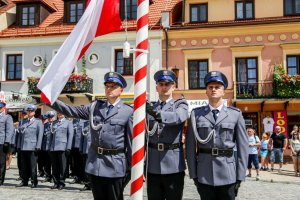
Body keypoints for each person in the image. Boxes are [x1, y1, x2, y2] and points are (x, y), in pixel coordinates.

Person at [49, 72, 133, 200]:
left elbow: (131, 142)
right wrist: (50, 99)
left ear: (121, 89)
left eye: (113, 86)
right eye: (107, 86)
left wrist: (131, 168)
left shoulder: (128, 111)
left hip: (115, 165)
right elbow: (72, 111)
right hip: (96, 164)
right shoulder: (95, 107)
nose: (109, 89)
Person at [186, 71, 248, 200]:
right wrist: (193, 174)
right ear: (206, 91)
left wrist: (240, 175)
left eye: (217, 87)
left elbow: (243, 148)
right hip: (204, 172)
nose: (213, 89)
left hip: (228, 173)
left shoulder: (235, 114)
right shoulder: (195, 114)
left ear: (223, 91)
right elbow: (190, 146)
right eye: (210, 87)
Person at [145, 70, 188, 200]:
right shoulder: (150, 106)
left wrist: (156, 114)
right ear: (157, 87)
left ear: (173, 86)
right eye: (161, 84)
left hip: (173, 165)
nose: (164, 87)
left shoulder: (180, 104)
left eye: (168, 84)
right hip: (152, 165)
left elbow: (178, 117)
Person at [16, 104, 43, 188]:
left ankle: (34, 181)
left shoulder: (38, 122)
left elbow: (40, 135)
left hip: (33, 147)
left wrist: (38, 146)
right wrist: (19, 146)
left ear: (34, 112)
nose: (29, 112)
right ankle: (24, 181)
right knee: (24, 166)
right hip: (23, 147)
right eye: (28, 111)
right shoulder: (22, 122)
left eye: (31, 111)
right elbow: (20, 135)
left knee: (33, 166)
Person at [49, 112, 74, 190]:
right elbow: (51, 136)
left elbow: (70, 135)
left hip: (63, 147)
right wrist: (50, 147)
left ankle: (62, 182)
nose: (59, 114)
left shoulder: (68, 123)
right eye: (58, 112)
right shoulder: (54, 122)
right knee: (54, 166)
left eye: (61, 112)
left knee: (62, 166)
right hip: (53, 147)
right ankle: (56, 182)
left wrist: (68, 147)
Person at [0, 101, 13, 186]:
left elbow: (9, 130)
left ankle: (0, 179)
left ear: (4, 108)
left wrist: (7, 142)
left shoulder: (7, 117)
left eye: (0, 107)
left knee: (1, 162)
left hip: (1, 142)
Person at [40, 111, 56, 183]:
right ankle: (47, 176)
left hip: (53, 148)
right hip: (45, 147)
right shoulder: (44, 125)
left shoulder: (56, 124)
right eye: (49, 117)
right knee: (46, 163)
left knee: (54, 163)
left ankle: (54, 177)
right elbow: (42, 137)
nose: (50, 119)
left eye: (51, 117)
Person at [79, 120, 91, 191]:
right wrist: (81, 148)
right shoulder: (85, 124)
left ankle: (93, 184)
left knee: (93, 168)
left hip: (93, 150)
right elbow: (82, 138)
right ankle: (87, 184)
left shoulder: (97, 122)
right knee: (85, 168)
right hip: (85, 149)